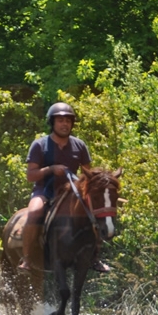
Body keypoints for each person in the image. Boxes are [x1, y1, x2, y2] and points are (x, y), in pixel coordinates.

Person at [17, 102, 111, 273]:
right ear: (52, 123)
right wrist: (52, 169)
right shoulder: (40, 145)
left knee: (95, 211)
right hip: (45, 190)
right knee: (35, 211)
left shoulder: (79, 145)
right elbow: (31, 175)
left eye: (68, 121)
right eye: (60, 120)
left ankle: (95, 257)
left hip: (72, 192)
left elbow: (87, 174)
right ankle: (27, 258)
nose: (64, 124)